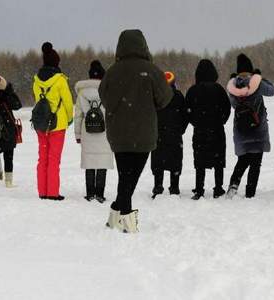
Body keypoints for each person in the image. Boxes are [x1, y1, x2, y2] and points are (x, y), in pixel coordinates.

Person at [99, 29, 172, 233]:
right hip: (143, 131)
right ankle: (127, 222)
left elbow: (103, 97)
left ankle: (115, 213)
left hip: (118, 132)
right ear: (143, 45)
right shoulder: (151, 70)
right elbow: (165, 98)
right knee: (131, 176)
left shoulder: (112, 72)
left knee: (126, 175)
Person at [226, 54, 274, 199]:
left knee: (243, 159)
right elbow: (272, 91)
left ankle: (234, 184)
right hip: (258, 129)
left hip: (241, 129)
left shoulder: (233, 86)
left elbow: (234, 104)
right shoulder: (256, 83)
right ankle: (250, 192)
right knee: (256, 162)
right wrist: (260, 77)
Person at [33, 42, 74, 201]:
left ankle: (42, 191)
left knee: (42, 157)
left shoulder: (36, 80)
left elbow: (38, 100)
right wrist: (69, 118)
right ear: (56, 62)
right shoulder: (60, 80)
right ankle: (52, 192)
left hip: (41, 123)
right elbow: (68, 102)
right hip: (58, 124)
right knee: (53, 159)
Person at [186, 59, 231, 200]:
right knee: (218, 161)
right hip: (217, 130)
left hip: (200, 131)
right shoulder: (219, 89)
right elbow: (227, 108)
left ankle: (199, 190)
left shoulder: (193, 90)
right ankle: (218, 188)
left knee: (200, 161)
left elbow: (187, 111)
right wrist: (220, 121)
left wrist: (196, 122)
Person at [74, 60, 114, 203]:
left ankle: (90, 193)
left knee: (90, 162)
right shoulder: (109, 91)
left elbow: (78, 115)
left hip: (87, 130)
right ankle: (100, 194)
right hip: (105, 131)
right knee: (102, 162)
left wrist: (78, 134)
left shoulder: (82, 93)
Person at [151, 71, 188, 199]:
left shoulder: (155, 96)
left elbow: (150, 115)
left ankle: (158, 186)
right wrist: (180, 129)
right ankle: (174, 187)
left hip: (158, 134)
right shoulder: (178, 96)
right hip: (175, 134)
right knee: (175, 161)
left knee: (158, 160)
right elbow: (185, 115)